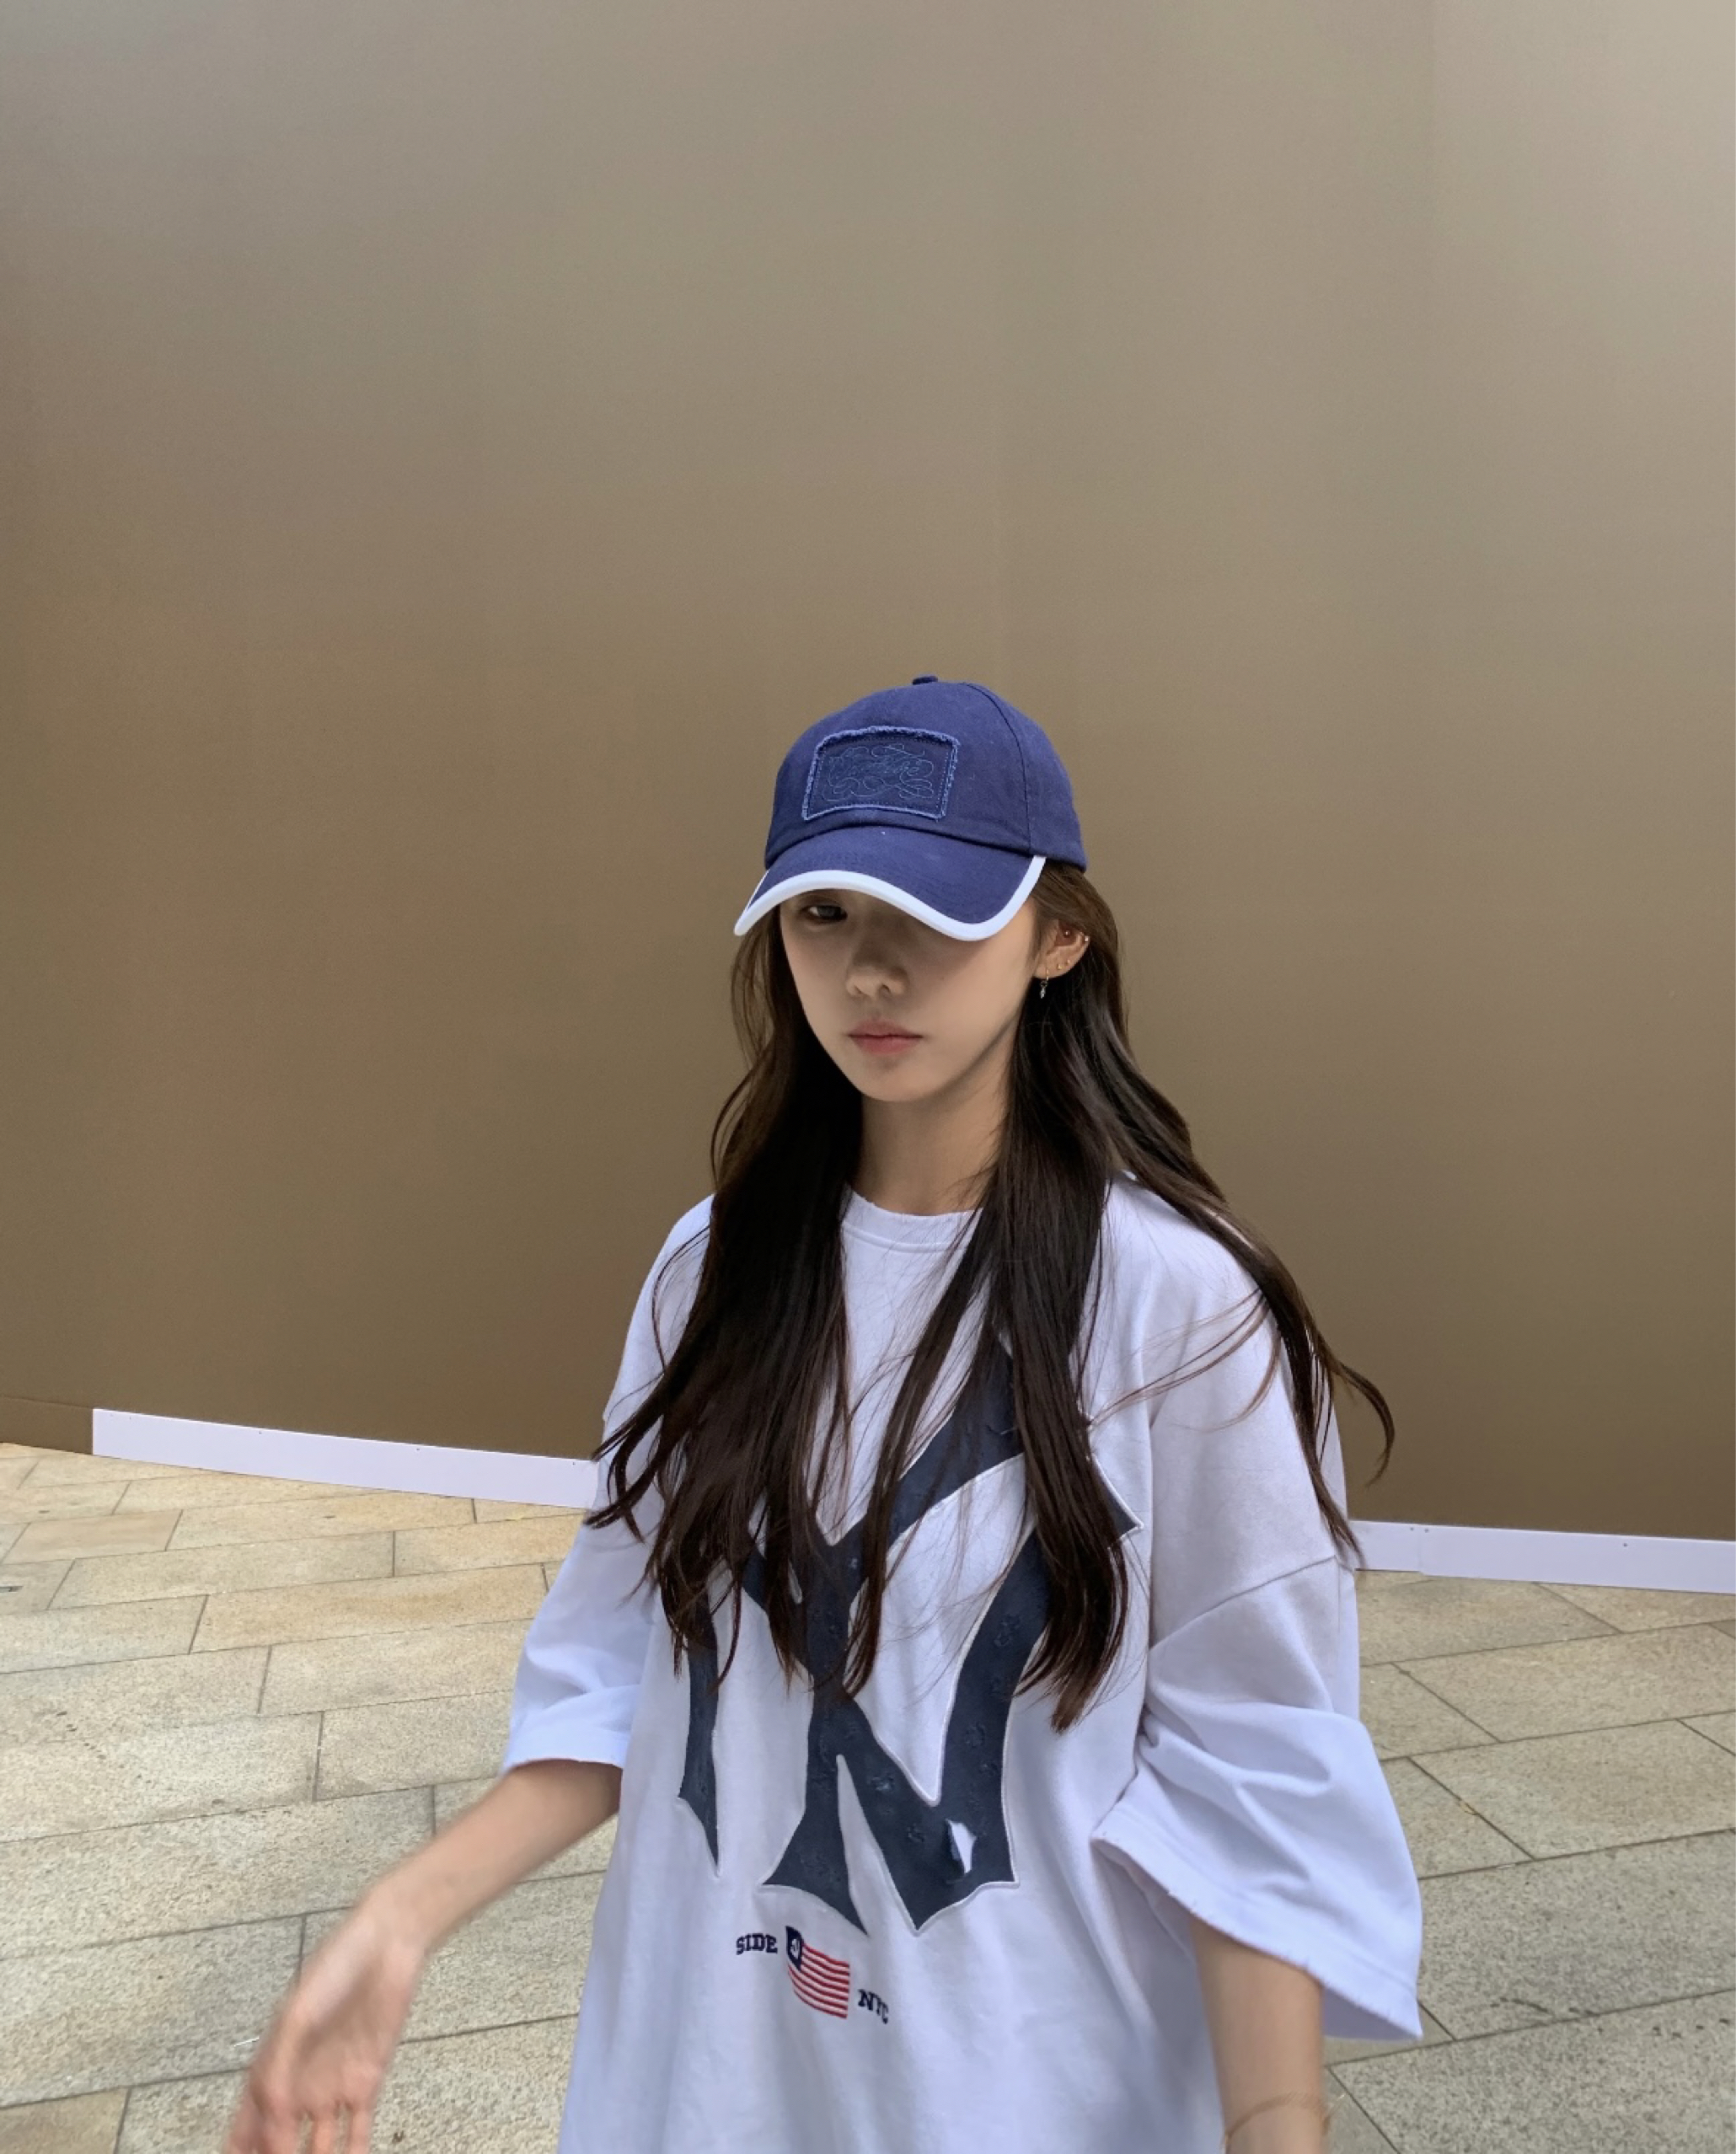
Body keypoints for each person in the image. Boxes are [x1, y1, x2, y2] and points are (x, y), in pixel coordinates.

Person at [226, 677, 1423, 2154]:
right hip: (704, 2074)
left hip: (1026, 2089)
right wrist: (403, 1916)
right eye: (825, 915)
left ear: (1058, 936)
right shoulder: (715, 1267)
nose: (873, 970)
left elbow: (1254, 1763)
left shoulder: (1179, 1307)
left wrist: (1276, 2120)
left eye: (938, 913)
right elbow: (623, 1659)